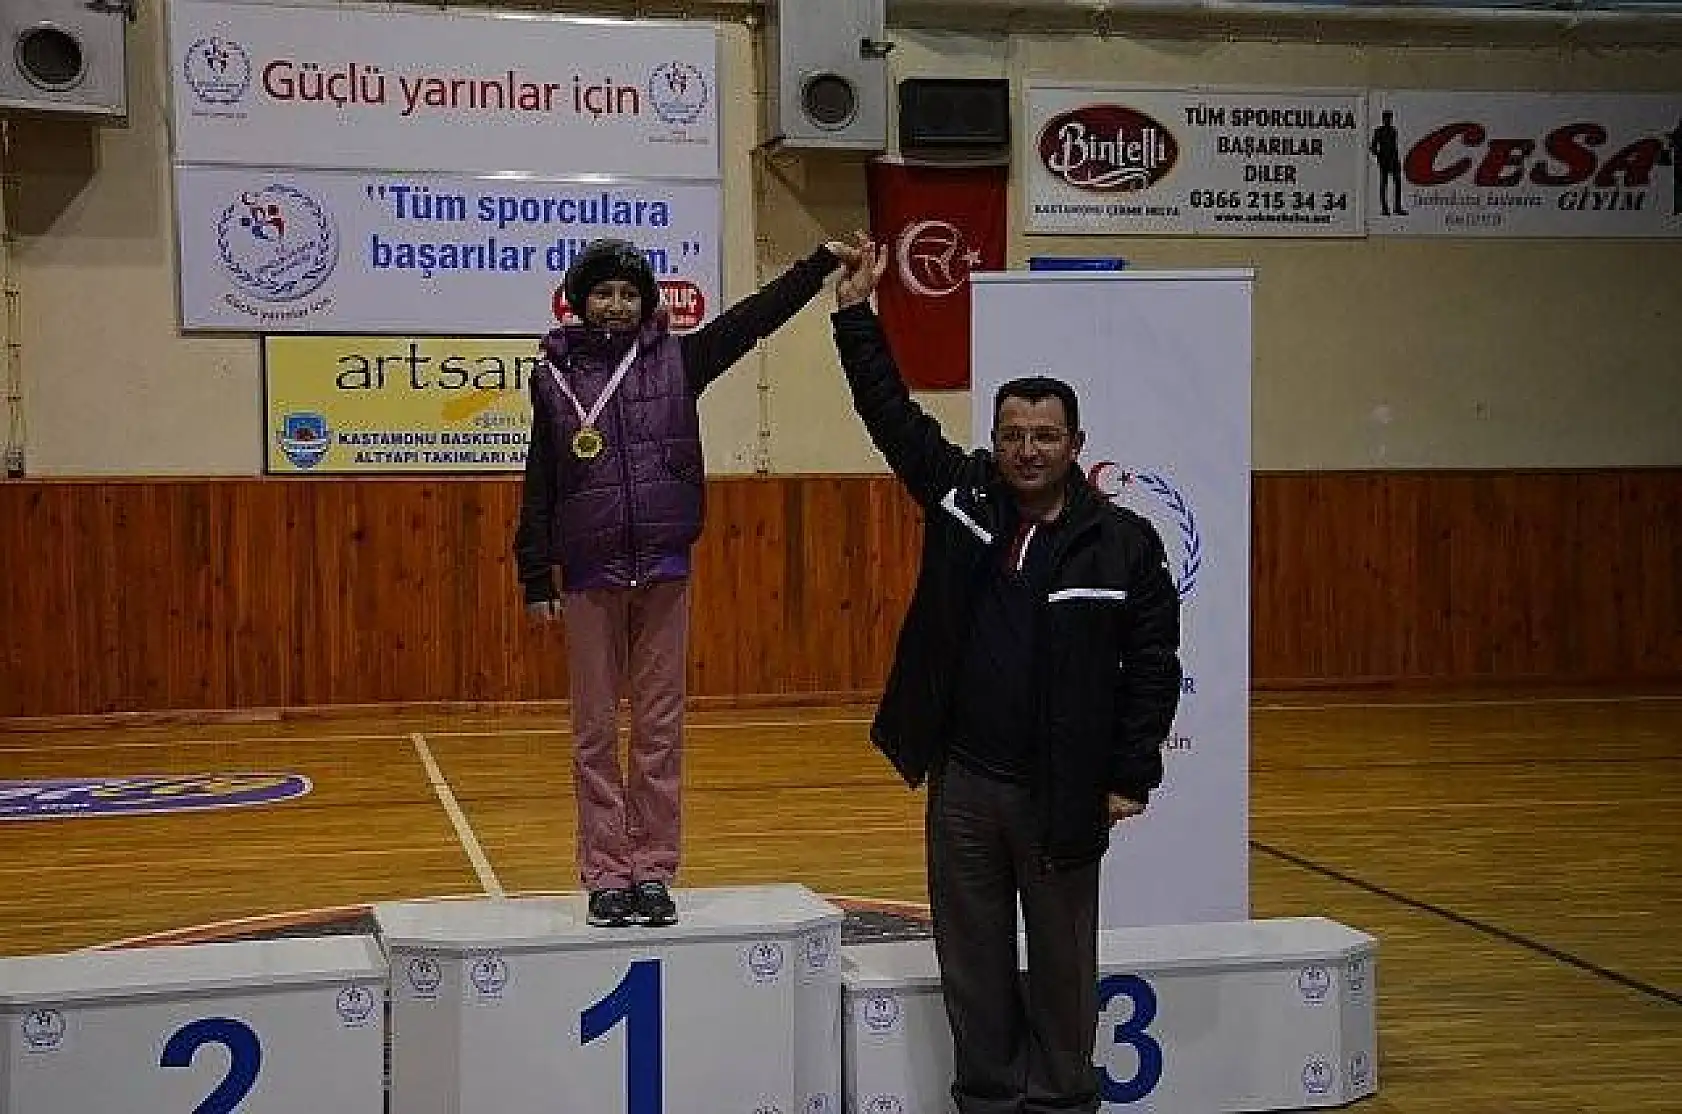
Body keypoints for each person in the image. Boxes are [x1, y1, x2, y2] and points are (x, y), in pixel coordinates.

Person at [828, 238, 1183, 1114]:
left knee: (1065, 971)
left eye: (1046, 436)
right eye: (1014, 436)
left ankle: (1064, 1102)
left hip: (1063, 794)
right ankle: (986, 1100)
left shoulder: (1124, 542)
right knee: (973, 964)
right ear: (994, 442)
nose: (1029, 450)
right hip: (965, 787)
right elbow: (890, 414)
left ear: (1076, 444)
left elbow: (1154, 667)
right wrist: (852, 316)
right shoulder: (960, 498)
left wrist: (1131, 773)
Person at [514, 237, 849, 928]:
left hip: (664, 567)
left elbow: (754, 318)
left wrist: (816, 264)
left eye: (629, 293)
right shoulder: (552, 376)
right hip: (586, 573)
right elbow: (542, 477)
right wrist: (532, 571)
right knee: (595, 732)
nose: (616, 304)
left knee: (660, 731)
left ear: (646, 303)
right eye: (602, 292)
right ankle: (606, 873)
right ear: (580, 302)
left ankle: (653, 869)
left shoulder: (677, 359)